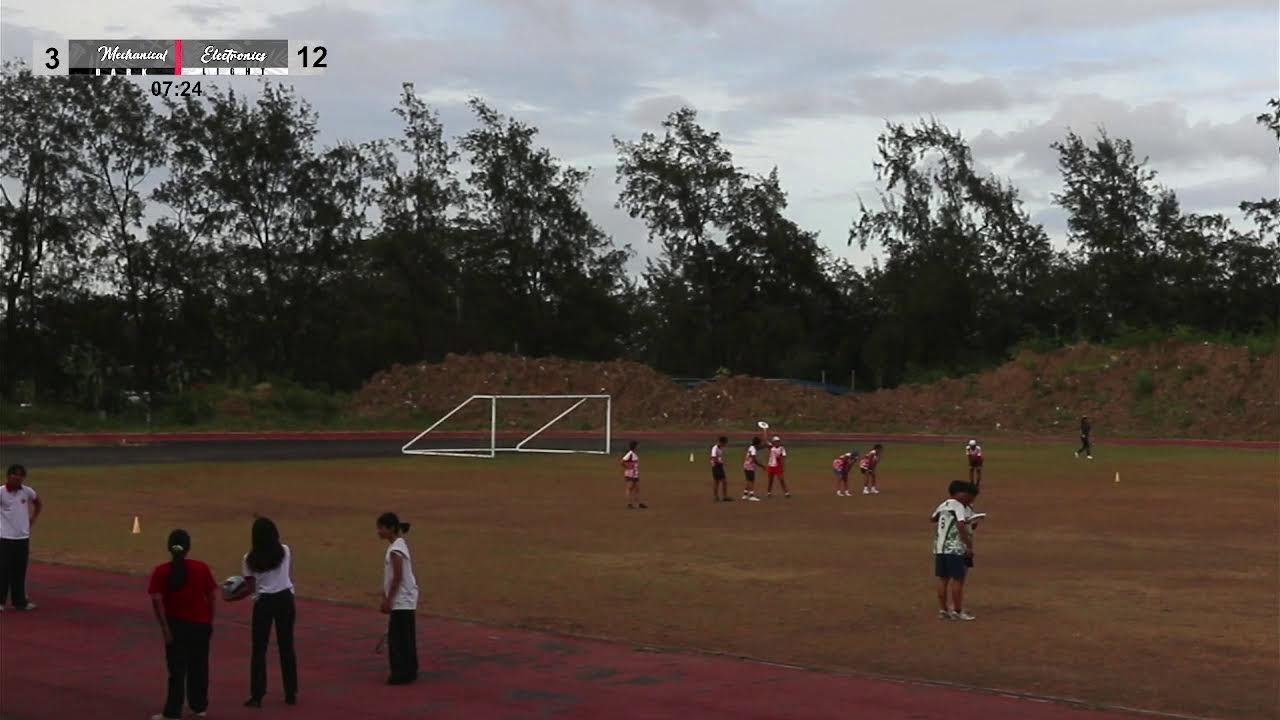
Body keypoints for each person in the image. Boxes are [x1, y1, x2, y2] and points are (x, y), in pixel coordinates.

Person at [226, 516, 298, 707]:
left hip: (264, 603)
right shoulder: (285, 550)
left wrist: (231, 598)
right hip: (285, 599)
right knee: (287, 646)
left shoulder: (249, 559)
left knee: (259, 649)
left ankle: (257, 695)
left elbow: (249, 588)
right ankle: (291, 692)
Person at [147, 529, 217, 720]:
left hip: (176, 626)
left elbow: (157, 600)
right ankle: (199, 706)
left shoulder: (161, 571)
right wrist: (209, 620)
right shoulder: (201, 568)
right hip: (200, 625)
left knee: (177, 670)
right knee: (200, 666)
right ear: (189, 547)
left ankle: (172, 711)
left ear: (169, 548)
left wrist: (165, 629)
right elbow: (211, 596)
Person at [377, 512, 419, 685]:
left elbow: (397, 576)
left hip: (401, 600)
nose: (378, 532)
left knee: (397, 639)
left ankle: (400, 674)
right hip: (406, 599)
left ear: (391, 528)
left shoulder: (395, 549)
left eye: (381, 528)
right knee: (406, 637)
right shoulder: (399, 545)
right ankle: (410, 671)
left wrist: (388, 599)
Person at [931, 480, 976, 621]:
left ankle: (943, 610)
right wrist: (968, 545)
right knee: (958, 579)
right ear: (960, 493)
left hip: (940, 547)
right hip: (954, 547)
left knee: (943, 579)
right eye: (968, 495)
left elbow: (932, 518)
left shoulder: (944, 504)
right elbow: (961, 525)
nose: (970, 499)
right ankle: (957, 611)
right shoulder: (958, 506)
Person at [0, 463, 43, 612]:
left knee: (20, 570)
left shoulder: (27, 491)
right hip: (5, 537)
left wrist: (33, 518)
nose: (17, 477)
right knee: (3, 570)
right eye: (15, 474)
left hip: (22, 537)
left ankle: (20, 602)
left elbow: (38, 503)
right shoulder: (1, 492)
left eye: (20, 475)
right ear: (9, 476)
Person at [621, 441, 646, 509]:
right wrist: (628, 467)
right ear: (635, 446)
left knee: (637, 488)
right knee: (629, 488)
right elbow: (622, 461)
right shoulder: (630, 454)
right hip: (630, 474)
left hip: (635, 474)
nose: (639, 447)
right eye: (637, 446)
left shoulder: (634, 454)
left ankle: (638, 504)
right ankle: (629, 504)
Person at [710, 436, 732, 502]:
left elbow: (718, 457)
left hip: (719, 466)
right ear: (721, 442)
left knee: (722, 481)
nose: (725, 445)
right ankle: (716, 497)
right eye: (725, 443)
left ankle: (722, 497)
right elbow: (713, 457)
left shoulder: (720, 448)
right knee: (718, 482)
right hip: (716, 466)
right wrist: (720, 462)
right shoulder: (715, 448)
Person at [741, 437, 763, 501]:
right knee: (751, 481)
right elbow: (754, 459)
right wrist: (762, 466)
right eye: (759, 443)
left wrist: (766, 445)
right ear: (757, 443)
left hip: (746, 465)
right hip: (749, 466)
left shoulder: (751, 447)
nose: (760, 444)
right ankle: (751, 496)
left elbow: (758, 448)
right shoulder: (753, 449)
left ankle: (745, 494)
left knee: (749, 480)